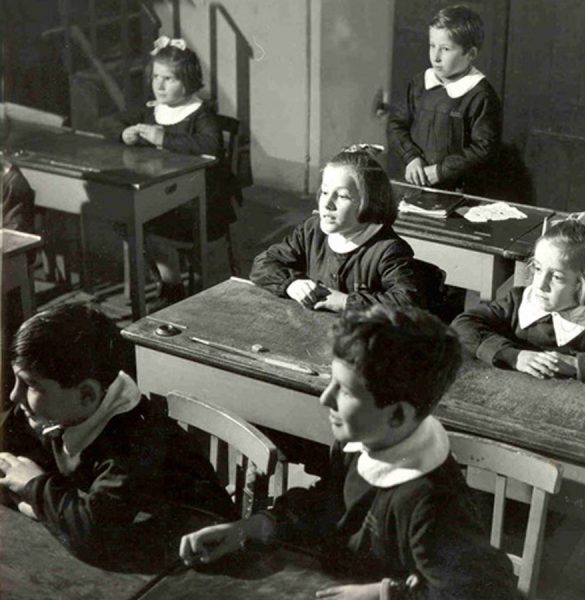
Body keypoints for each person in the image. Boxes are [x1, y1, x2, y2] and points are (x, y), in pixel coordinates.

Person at [179, 305, 516, 599]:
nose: (325, 398)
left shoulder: (431, 501)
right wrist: (248, 528)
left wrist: (385, 593)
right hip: (336, 578)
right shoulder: (360, 441)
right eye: (331, 381)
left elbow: (485, 591)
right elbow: (328, 502)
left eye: (345, 391)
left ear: (397, 414)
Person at [0, 303, 235, 562]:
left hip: (201, 561)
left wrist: (34, 486)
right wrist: (48, 509)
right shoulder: (51, 409)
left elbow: (94, 534)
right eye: (17, 380)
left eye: (31, 384)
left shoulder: (134, 441)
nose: (14, 395)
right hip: (133, 551)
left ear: (87, 394)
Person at [102, 36, 238, 304]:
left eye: (169, 79)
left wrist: (163, 138)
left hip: (198, 202)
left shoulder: (200, 113)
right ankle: (171, 279)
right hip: (161, 194)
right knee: (129, 219)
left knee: (149, 222)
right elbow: (107, 121)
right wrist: (124, 132)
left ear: (187, 81)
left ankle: (172, 282)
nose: (160, 85)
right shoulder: (153, 110)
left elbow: (211, 145)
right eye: (156, 77)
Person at [451, 220, 585, 384]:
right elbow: (463, 325)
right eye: (538, 269)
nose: (540, 284)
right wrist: (515, 356)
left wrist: (574, 364)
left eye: (556, 277)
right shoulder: (519, 300)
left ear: (581, 284)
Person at [250, 146, 422, 312]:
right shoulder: (312, 230)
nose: (327, 204)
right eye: (324, 192)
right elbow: (263, 263)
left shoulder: (388, 250)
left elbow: (407, 303)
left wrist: (345, 302)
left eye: (341, 196)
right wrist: (291, 284)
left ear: (369, 202)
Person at [387, 4, 502, 196]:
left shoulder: (480, 94)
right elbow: (396, 124)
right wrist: (411, 157)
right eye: (432, 46)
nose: (436, 56)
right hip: (416, 183)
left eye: (446, 49)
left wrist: (441, 171)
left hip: (459, 191)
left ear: (471, 54)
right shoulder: (419, 84)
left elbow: (484, 149)